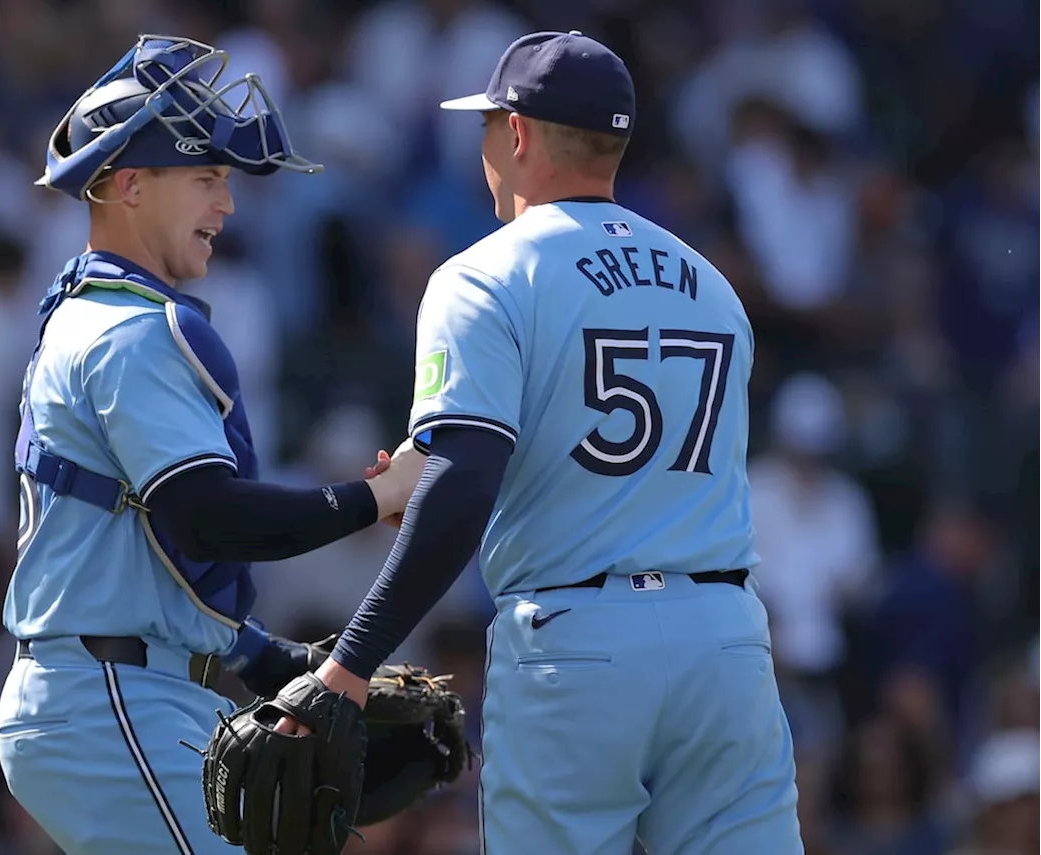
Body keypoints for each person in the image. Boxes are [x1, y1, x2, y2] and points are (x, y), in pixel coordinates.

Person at [287, 30, 803, 854]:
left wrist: (347, 666)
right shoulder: (712, 284)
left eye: (489, 124)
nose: (485, 144)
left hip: (579, 638)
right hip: (725, 636)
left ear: (518, 133)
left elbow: (462, 483)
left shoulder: (484, 274)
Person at [0, 35, 424, 855]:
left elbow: (155, 546)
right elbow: (204, 517)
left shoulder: (94, 314)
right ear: (126, 184)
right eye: (205, 178)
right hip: (114, 694)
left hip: (125, 686)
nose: (225, 205)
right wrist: (374, 495)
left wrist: (280, 665)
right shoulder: (132, 331)